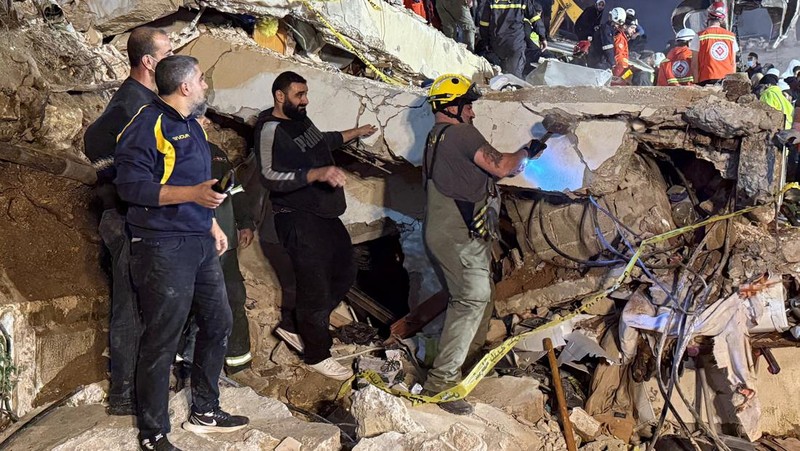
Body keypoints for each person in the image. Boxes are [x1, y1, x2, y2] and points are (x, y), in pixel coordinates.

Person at [114, 55, 249, 450]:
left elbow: (197, 186)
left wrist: (210, 225)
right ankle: (153, 432)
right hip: (161, 245)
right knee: (162, 337)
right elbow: (131, 188)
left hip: (199, 242)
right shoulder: (146, 124)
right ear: (185, 87)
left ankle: (205, 408)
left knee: (219, 321)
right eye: (202, 79)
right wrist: (193, 197)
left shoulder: (193, 127)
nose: (206, 85)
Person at [421, 74, 543, 415]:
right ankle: (441, 384)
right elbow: (502, 166)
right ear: (452, 106)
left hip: (456, 233)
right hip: (456, 234)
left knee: (482, 298)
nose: (472, 112)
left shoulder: (436, 136)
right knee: (471, 298)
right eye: (468, 104)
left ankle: (464, 369)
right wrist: (528, 150)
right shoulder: (460, 133)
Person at [255, 71, 377, 380]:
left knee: (346, 270)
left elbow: (321, 141)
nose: (306, 100)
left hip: (323, 214)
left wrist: (356, 132)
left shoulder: (300, 120)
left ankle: (295, 327)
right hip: (296, 217)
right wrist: (316, 174)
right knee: (315, 285)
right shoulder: (270, 129)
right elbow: (268, 175)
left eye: (306, 94)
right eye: (299, 95)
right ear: (280, 96)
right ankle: (316, 354)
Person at [83, 26, 173, 417]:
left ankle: (144, 384)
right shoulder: (131, 105)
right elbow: (95, 140)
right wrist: (117, 184)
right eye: (168, 53)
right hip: (127, 219)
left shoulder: (146, 102)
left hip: (141, 217)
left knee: (148, 303)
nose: (172, 60)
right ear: (149, 62)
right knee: (131, 306)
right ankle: (123, 393)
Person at [177, 116, 256, 378]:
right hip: (193, 244)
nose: (209, 122)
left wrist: (245, 222)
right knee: (190, 303)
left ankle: (238, 365)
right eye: (202, 116)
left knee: (234, 297)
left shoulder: (217, 155)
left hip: (226, 247)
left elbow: (235, 190)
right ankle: (184, 367)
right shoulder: (175, 152)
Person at [478, 0, 538, 78]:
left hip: (497, 44)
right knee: (514, 76)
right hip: (515, 44)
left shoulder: (492, 2)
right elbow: (535, 18)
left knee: (498, 75)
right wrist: (543, 37)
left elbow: (484, 24)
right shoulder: (522, 1)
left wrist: (486, 42)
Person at [690, 1, 738, 86]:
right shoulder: (731, 37)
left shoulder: (700, 36)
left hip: (705, 79)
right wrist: (732, 83)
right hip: (726, 81)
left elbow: (694, 64)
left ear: (708, 16)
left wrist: (697, 83)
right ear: (722, 19)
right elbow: (733, 63)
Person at [588, 7, 626, 71]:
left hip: (596, 60)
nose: (617, 26)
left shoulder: (607, 29)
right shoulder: (606, 29)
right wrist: (613, 64)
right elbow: (608, 47)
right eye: (617, 24)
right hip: (598, 62)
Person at [523, 2, 554, 77]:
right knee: (549, 56)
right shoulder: (526, 25)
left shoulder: (524, 22)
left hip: (526, 51)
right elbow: (529, 41)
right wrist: (539, 51)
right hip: (527, 53)